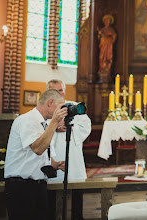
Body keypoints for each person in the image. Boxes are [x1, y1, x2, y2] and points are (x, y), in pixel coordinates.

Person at [4, 89, 67, 220]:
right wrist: (55, 122)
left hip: (38, 185)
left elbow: (44, 157)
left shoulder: (44, 124)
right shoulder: (27, 120)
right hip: (21, 187)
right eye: (60, 107)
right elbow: (38, 149)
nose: (62, 112)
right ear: (50, 103)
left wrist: (57, 165)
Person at [46, 79, 92, 220]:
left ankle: (77, 216)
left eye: (61, 90)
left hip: (73, 154)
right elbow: (39, 130)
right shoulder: (46, 110)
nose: (59, 93)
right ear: (48, 93)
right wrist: (55, 126)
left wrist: (71, 129)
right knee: (52, 192)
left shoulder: (75, 107)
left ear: (64, 91)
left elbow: (86, 126)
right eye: (55, 91)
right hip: (53, 155)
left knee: (77, 187)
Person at [98, 14, 117, 82]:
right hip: (103, 44)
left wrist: (111, 37)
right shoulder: (102, 29)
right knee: (101, 57)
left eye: (108, 20)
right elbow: (99, 37)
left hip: (109, 45)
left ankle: (107, 69)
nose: (107, 22)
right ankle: (102, 69)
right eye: (106, 20)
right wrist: (100, 34)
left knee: (108, 57)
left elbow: (114, 37)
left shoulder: (111, 29)